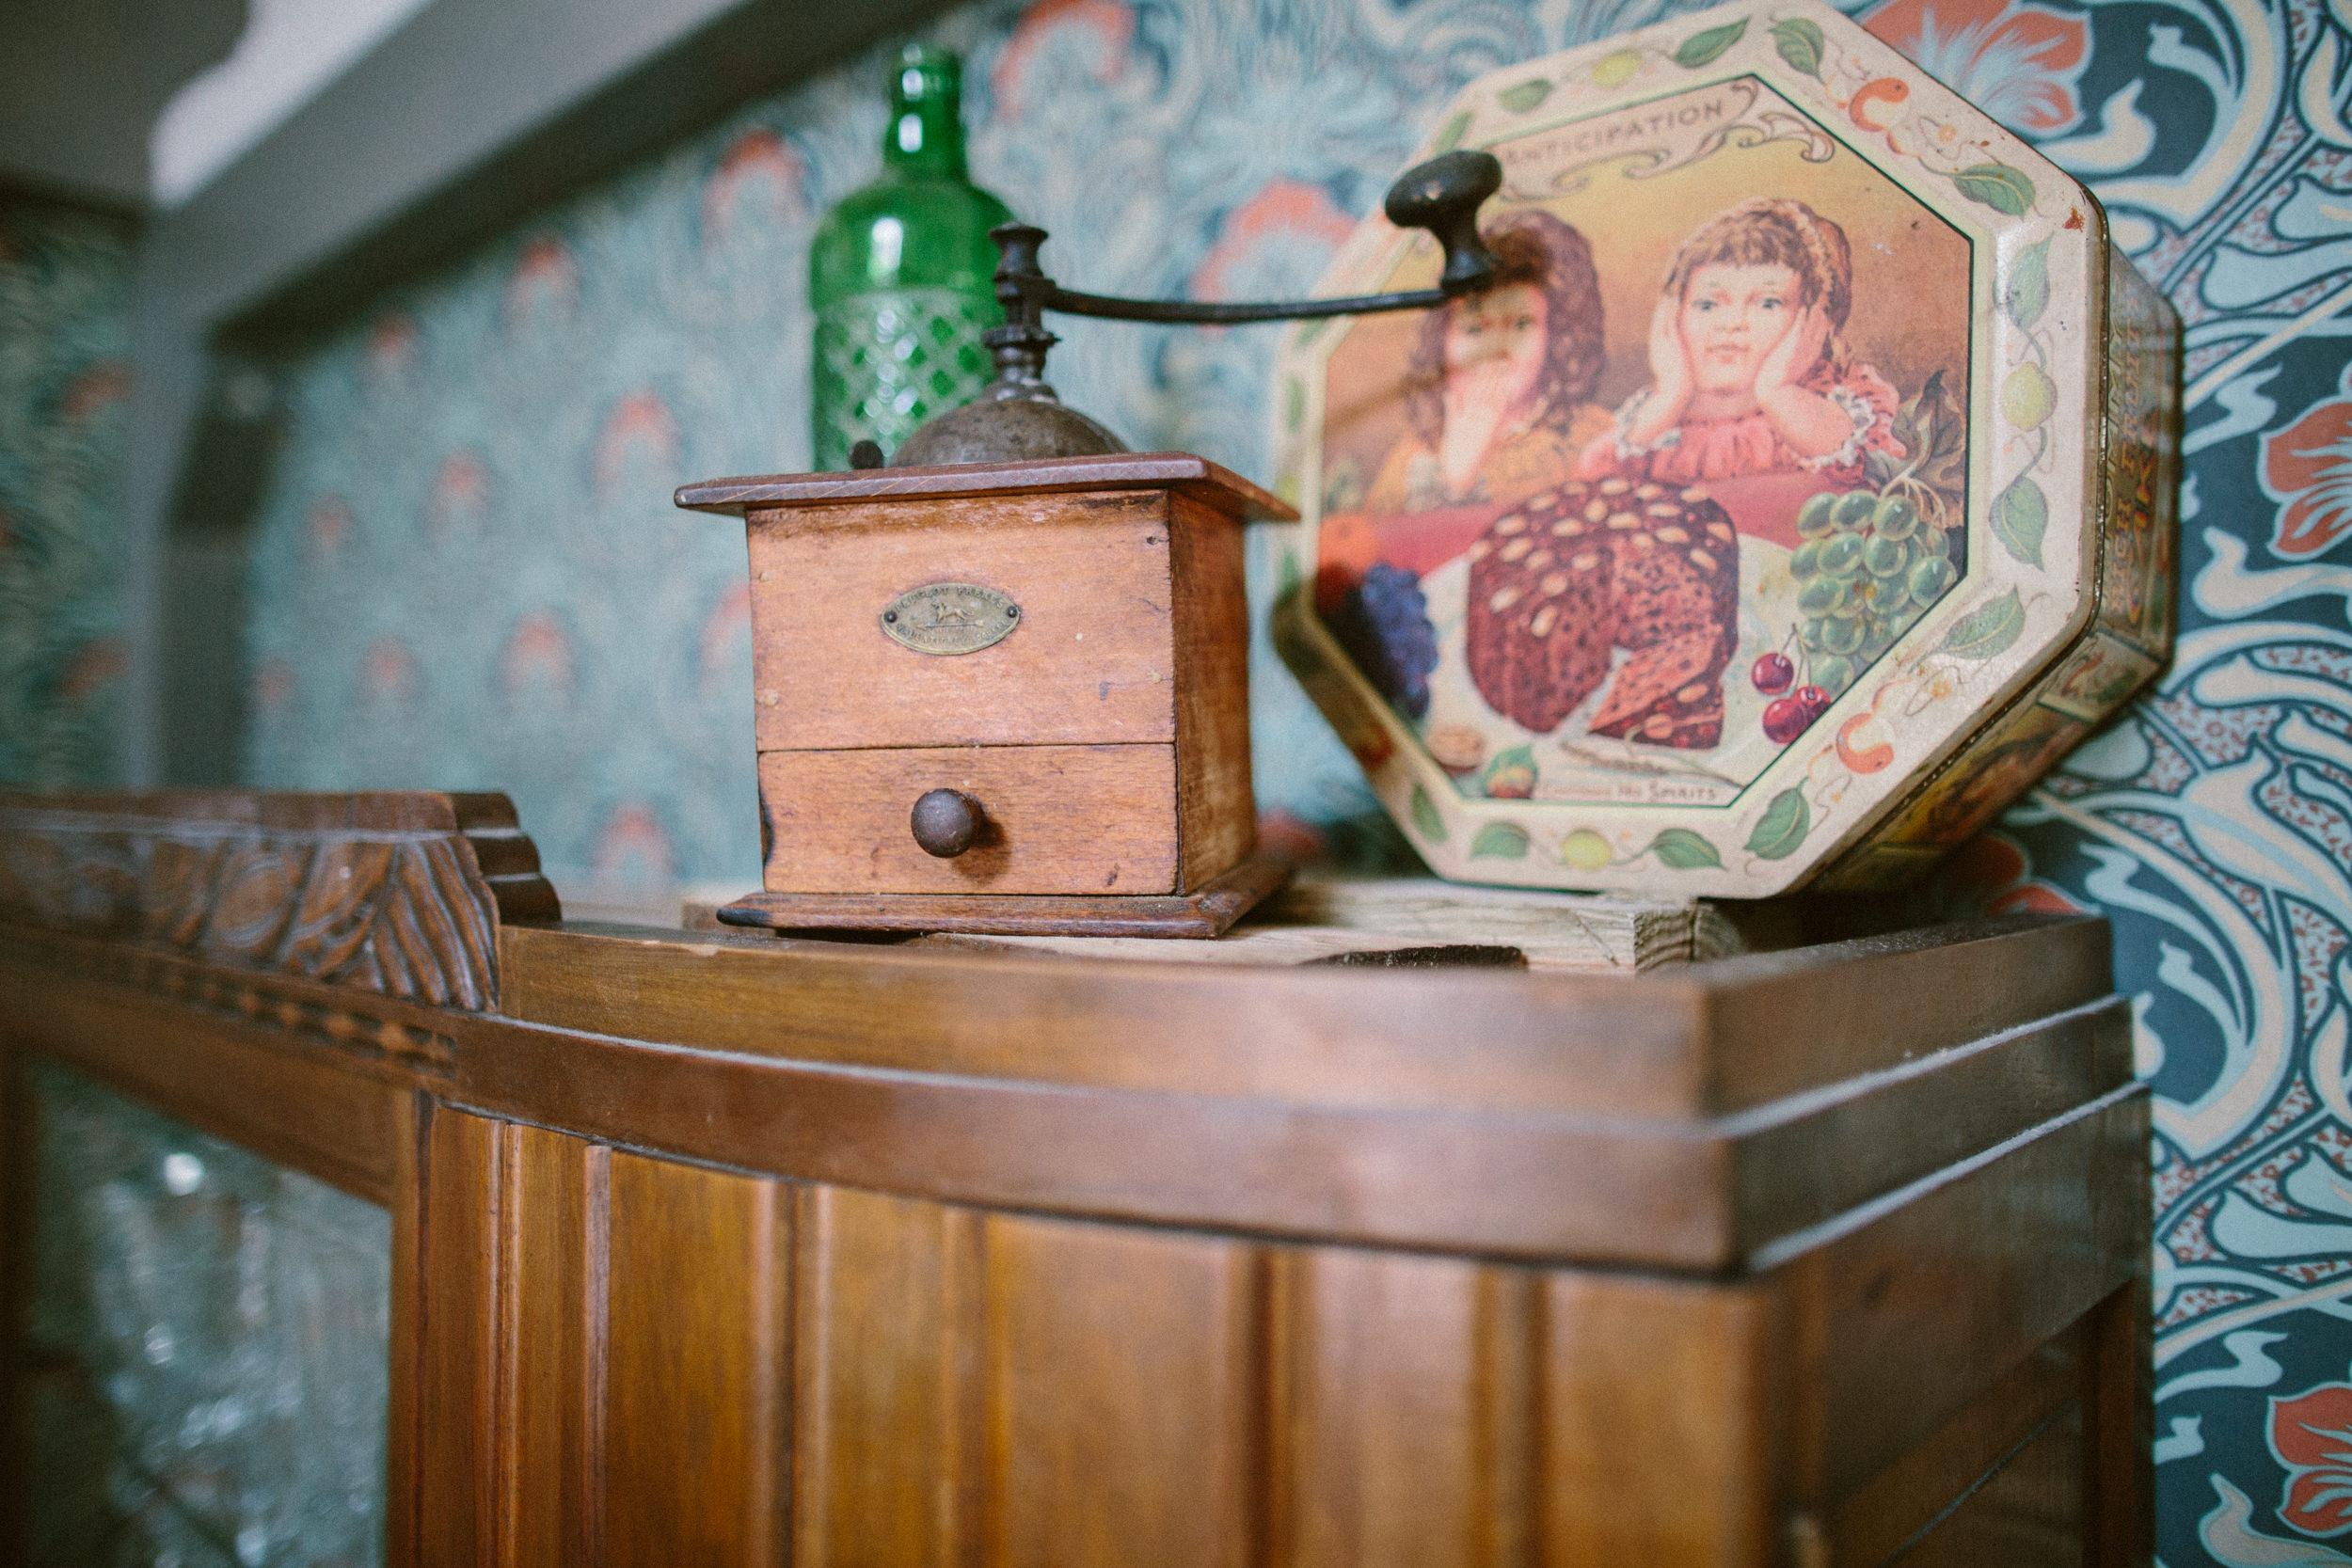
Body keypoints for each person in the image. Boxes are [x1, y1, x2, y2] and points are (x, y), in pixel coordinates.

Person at [1579, 197, 1903, 487]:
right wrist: (1669, 397)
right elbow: (1588, 488)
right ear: (1673, 317)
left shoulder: (1837, 404)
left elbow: (1881, 475)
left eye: (1768, 303)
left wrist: (1777, 392)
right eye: (1708, 304)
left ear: (1814, 319)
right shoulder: (1659, 424)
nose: (1732, 323)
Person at [1364, 211, 1612, 513]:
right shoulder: (1408, 464)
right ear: (1442, 341)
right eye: (1475, 329)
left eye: (1520, 324)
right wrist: (1454, 479)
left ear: (1556, 337)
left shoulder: (1590, 436)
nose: (1496, 350)